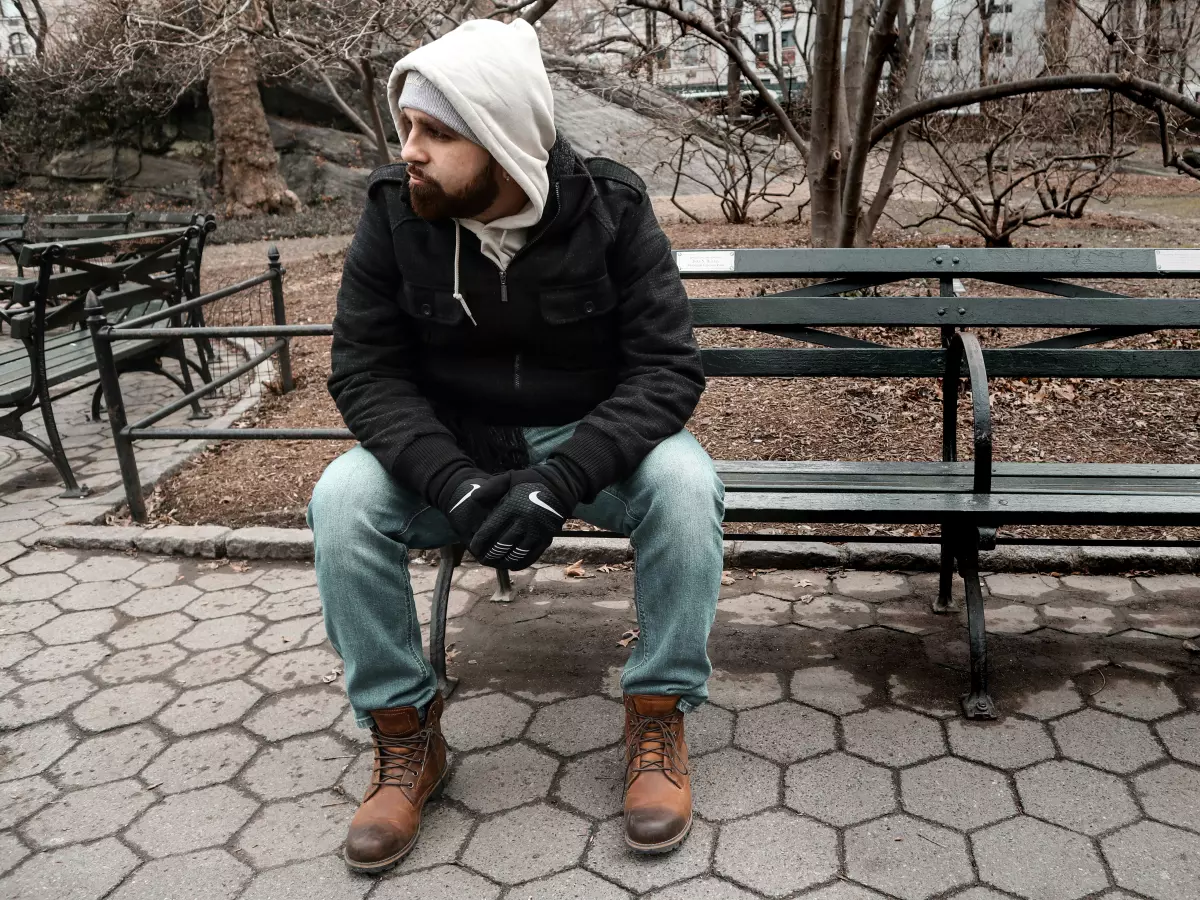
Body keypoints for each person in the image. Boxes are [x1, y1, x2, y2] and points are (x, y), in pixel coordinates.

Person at [307, 16, 724, 874]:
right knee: (342, 499)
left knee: (685, 484)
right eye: (407, 127)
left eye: (434, 131)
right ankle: (406, 734)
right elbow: (366, 373)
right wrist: (452, 481)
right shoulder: (395, 215)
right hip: (449, 443)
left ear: (498, 137)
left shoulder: (609, 208)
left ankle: (656, 714)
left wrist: (562, 478)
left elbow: (666, 371)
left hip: (586, 441)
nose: (408, 150)